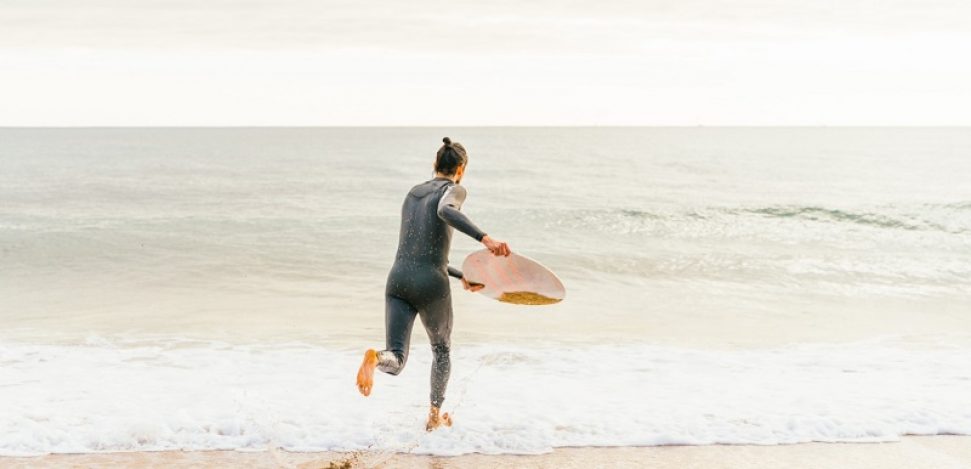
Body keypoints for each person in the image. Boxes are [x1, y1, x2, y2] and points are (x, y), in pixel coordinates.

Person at [355, 137, 511, 431]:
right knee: (441, 351)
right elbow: (445, 211)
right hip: (430, 286)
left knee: (396, 358)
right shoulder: (454, 189)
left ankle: (375, 358)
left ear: (434, 165)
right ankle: (433, 416)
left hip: (398, 280)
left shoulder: (413, 193)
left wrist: (461, 275)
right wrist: (485, 238)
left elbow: (421, 252)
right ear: (461, 169)